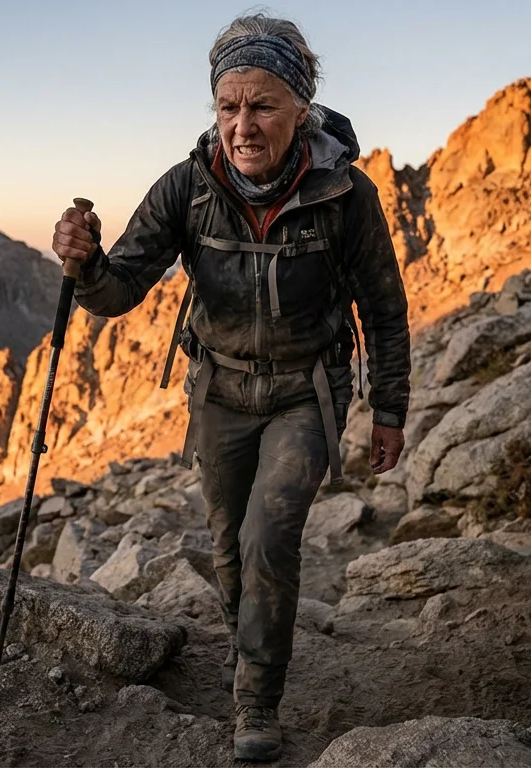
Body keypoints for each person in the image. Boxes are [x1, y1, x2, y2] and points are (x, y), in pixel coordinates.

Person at [51, 13, 411, 763]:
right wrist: (84, 267)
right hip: (217, 393)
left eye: (262, 106)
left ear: (300, 110)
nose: (242, 126)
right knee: (226, 550)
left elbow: (383, 306)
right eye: (228, 107)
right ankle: (251, 651)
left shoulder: (346, 194)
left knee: (267, 536)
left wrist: (390, 409)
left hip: (303, 395)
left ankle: (257, 702)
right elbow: (121, 289)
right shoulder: (188, 187)